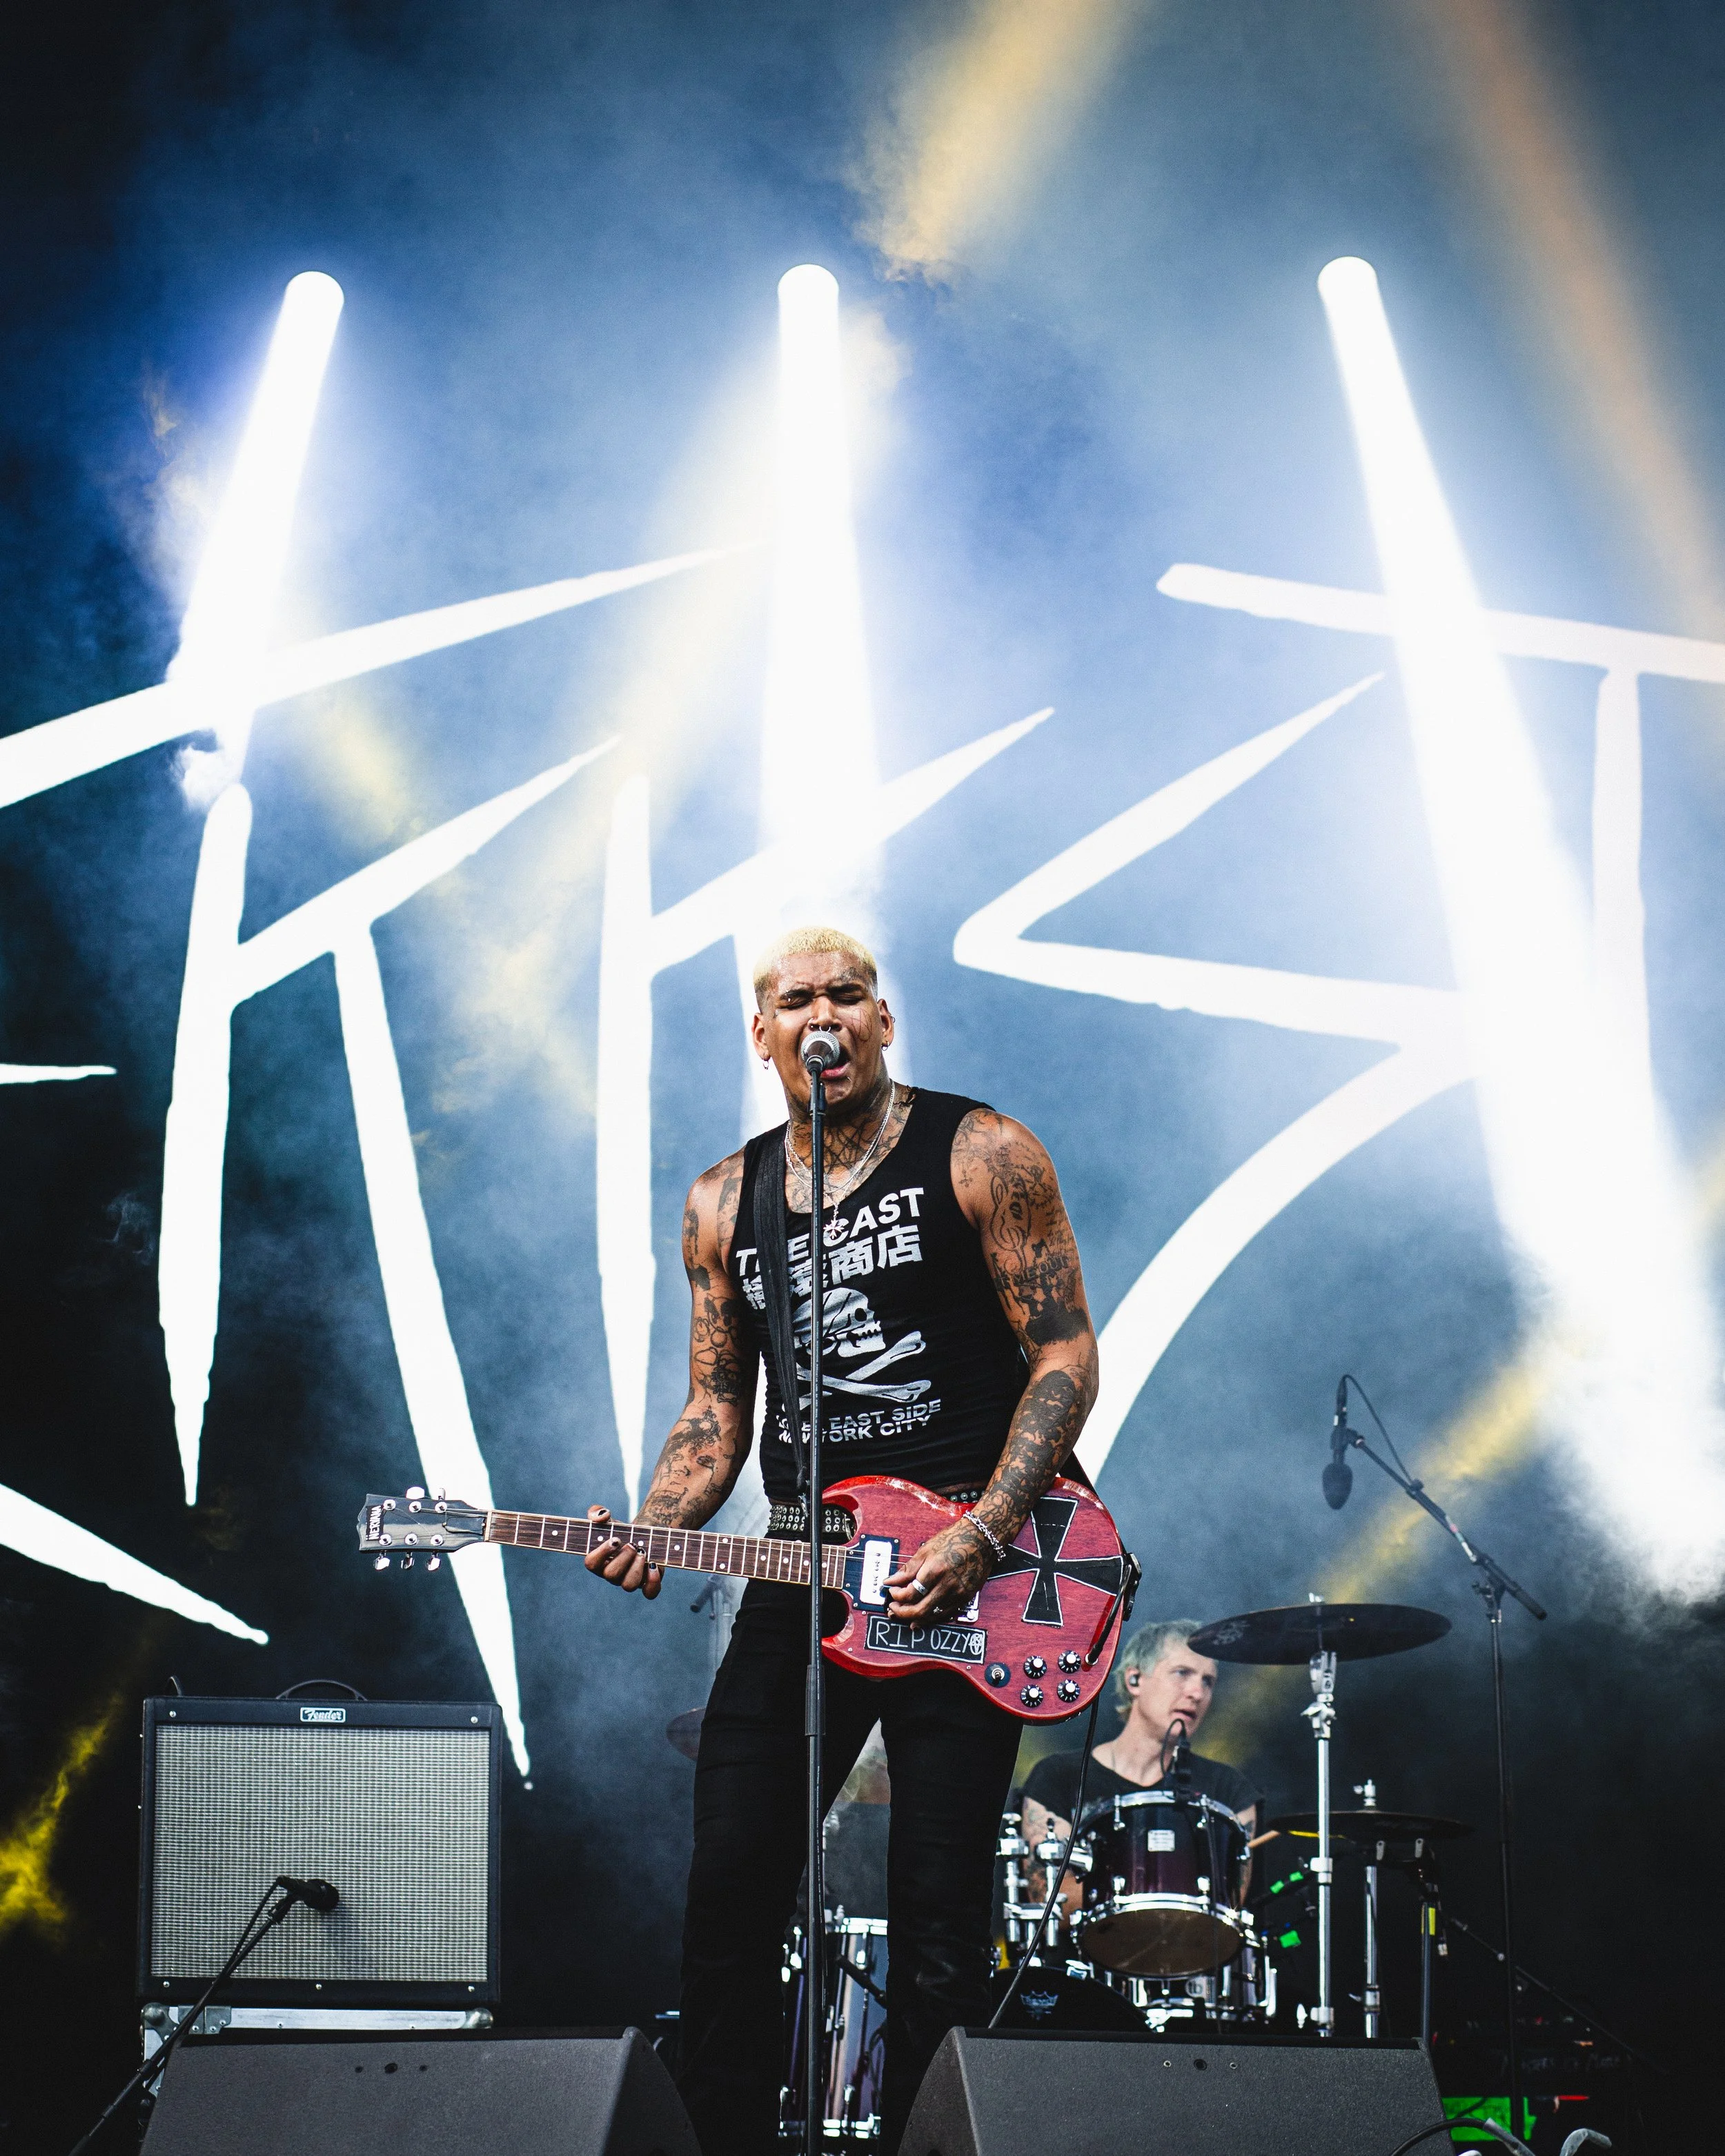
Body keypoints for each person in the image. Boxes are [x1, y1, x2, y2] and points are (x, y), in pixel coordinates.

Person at [583, 924, 1100, 2155]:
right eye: (796, 998)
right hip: (809, 1568)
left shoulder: (980, 1150)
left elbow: (1065, 1353)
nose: (825, 1014)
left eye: (848, 995)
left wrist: (982, 1532)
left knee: (936, 1919)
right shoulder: (725, 1200)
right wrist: (659, 1526)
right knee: (730, 1887)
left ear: (881, 1019)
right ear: (761, 1033)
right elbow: (715, 1411)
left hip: (962, 1581)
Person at [1018, 1619, 1261, 1922]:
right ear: (1135, 1680)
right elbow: (1052, 1900)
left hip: (1187, 1963)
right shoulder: (1058, 1776)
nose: (1197, 1693)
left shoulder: (1228, 1790)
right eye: (1182, 1673)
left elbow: (1229, 1907)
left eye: (1208, 1681)